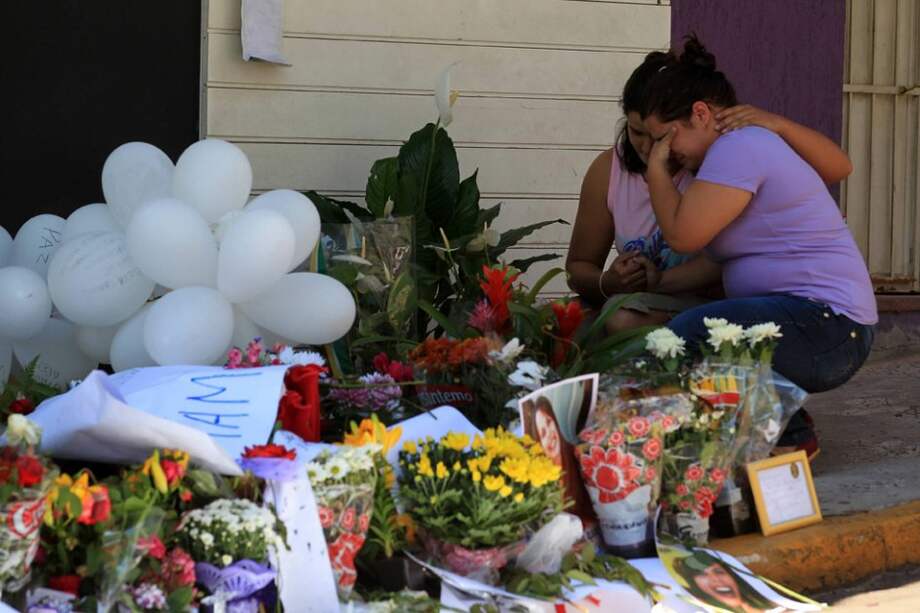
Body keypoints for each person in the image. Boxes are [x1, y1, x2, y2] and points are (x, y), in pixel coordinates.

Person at [639, 36, 877, 457]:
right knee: (699, 326)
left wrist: (654, 171)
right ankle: (782, 426)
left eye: (663, 139)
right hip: (819, 326)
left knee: (689, 335)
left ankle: (778, 435)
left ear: (699, 114)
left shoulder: (739, 146)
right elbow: (716, 264)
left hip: (828, 324)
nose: (663, 153)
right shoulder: (724, 159)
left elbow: (682, 236)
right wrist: (658, 282)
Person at [566, 51, 854, 337]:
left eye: (660, 138)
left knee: (624, 318)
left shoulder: (722, 159)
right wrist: (609, 281)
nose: (649, 148)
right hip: (649, 293)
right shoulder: (609, 170)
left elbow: (839, 167)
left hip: (722, 304)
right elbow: (578, 268)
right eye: (637, 132)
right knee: (562, 325)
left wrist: (777, 124)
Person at [671, 551, 777, 613]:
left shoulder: (771, 603)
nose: (715, 579)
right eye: (702, 574)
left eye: (718, 571)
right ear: (695, 584)